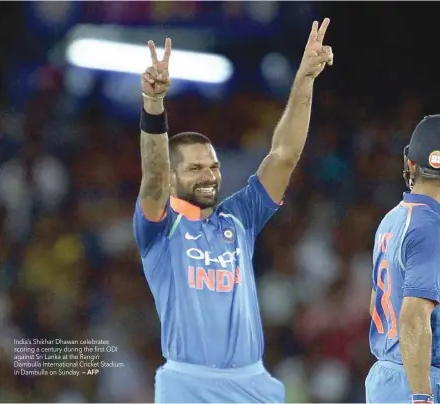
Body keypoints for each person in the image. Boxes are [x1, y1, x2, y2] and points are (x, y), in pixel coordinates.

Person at [133, 19, 333, 403]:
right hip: (188, 384)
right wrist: (154, 105)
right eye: (195, 168)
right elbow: (154, 176)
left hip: (251, 383)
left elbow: (284, 155)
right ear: (174, 179)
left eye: (213, 166)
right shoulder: (160, 229)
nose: (209, 176)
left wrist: (305, 79)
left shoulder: (239, 217)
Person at [365, 113, 440, 404]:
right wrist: (422, 397)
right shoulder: (432, 228)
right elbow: (413, 317)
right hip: (419, 379)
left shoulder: (393, 218)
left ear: (411, 164)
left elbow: (375, 303)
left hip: (388, 378)